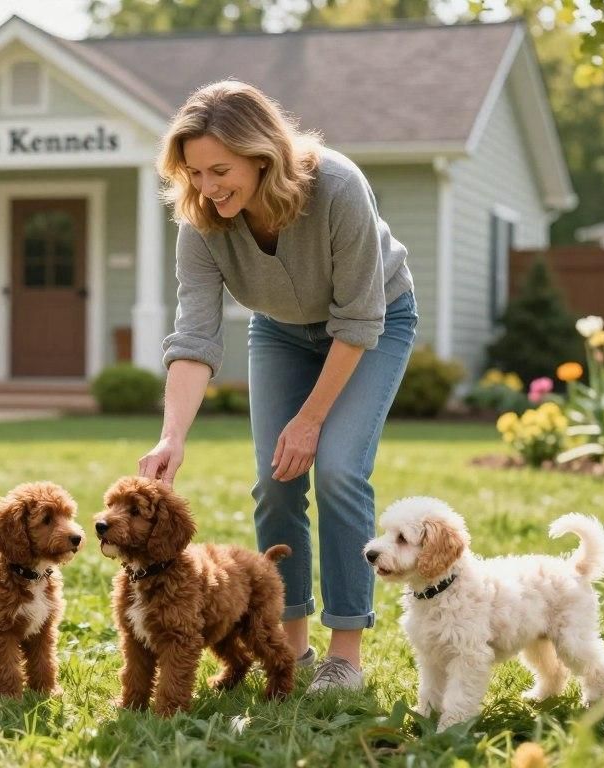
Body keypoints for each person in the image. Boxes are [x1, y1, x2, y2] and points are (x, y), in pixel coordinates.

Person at [137, 80, 417, 693]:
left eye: (220, 170)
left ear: (262, 155)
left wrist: (312, 419)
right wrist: (171, 437)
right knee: (275, 479)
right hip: (283, 331)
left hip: (373, 322)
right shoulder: (201, 221)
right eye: (195, 172)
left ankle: (346, 653)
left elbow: (358, 318)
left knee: (339, 468)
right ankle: (292, 647)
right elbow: (194, 337)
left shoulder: (338, 187)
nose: (208, 187)